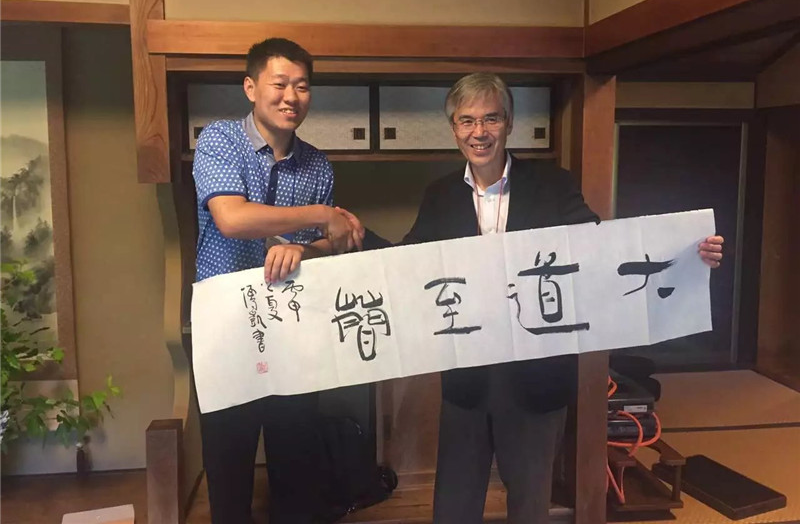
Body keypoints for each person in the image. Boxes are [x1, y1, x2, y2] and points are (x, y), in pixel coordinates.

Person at [400, 73, 724, 524]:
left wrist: (686, 252)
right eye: (467, 121)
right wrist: (350, 242)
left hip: (537, 375)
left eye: (491, 118)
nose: (480, 132)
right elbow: (406, 261)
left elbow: (601, 247)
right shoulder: (440, 196)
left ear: (509, 122)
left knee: (530, 505)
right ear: (454, 128)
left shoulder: (552, 184)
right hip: (467, 377)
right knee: (454, 505)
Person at [192, 37, 365, 524]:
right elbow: (231, 218)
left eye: (302, 86)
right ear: (251, 88)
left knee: (296, 464)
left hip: (293, 328)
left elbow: (330, 247)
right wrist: (321, 214)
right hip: (226, 326)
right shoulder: (220, 140)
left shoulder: (317, 163)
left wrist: (305, 247)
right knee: (229, 465)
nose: (292, 97)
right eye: (280, 84)